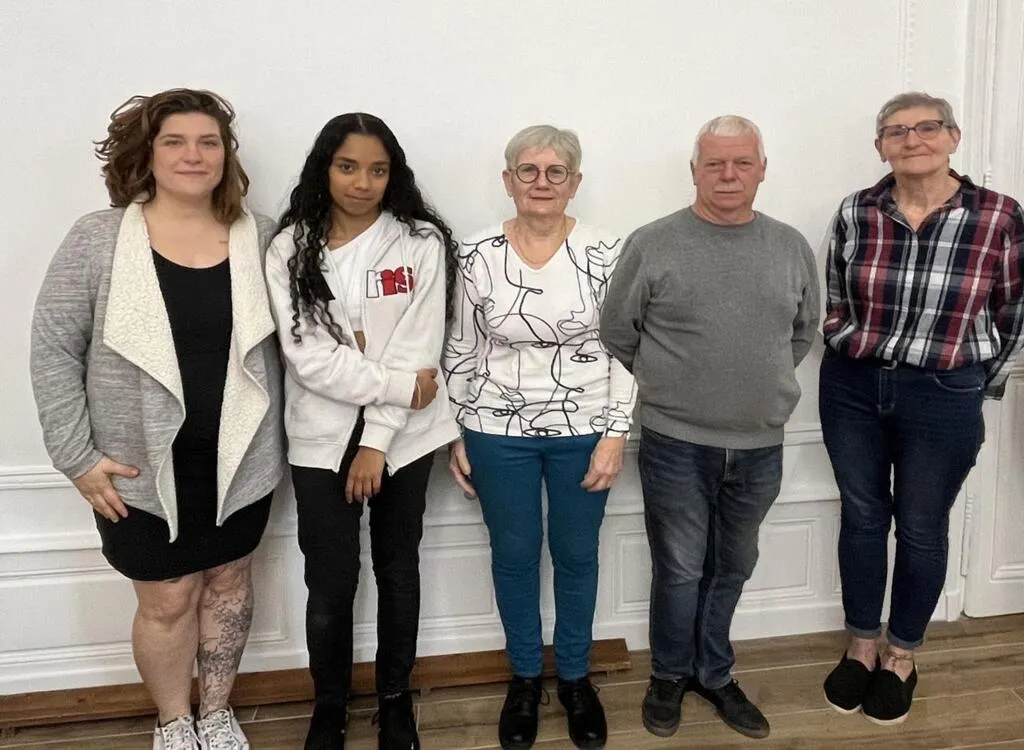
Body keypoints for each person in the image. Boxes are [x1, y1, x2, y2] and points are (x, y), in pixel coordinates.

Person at [30, 88, 286, 750]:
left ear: (226, 155)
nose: (192, 155)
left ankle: (217, 714)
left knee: (229, 583)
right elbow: (54, 349)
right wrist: (77, 458)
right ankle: (174, 721)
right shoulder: (98, 238)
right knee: (167, 598)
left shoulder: (259, 236)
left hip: (239, 458)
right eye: (174, 141)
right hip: (135, 465)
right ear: (147, 154)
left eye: (208, 142)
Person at [599, 115, 820, 741]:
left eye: (741, 162)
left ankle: (714, 674)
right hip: (675, 442)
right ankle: (669, 675)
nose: (728, 175)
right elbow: (617, 331)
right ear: (693, 171)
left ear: (762, 169)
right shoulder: (654, 243)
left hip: (760, 444)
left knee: (733, 565)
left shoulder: (789, 246)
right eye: (714, 163)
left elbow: (803, 332)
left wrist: (754, 385)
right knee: (679, 568)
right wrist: (675, 385)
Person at [819, 91, 1024, 726]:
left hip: (942, 391)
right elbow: (834, 296)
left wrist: (971, 381)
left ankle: (902, 654)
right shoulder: (856, 211)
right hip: (853, 386)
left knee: (921, 525)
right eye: (896, 131)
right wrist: (846, 342)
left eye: (927, 127)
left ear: (953, 137)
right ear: (880, 145)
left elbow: (1013, 311)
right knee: (861, 516)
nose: (912, 140)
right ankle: (861, 645)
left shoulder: (998, 216)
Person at [265, 112, 460, 750]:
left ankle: (395, 701)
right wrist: (397, 387)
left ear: (392, 174)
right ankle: (329, 706)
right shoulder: (290, 247)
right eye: (347, 166)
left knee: (399, 568)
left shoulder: (420, 242)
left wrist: (376, 440)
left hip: (404, 440)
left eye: (377, 170)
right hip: (320, 437)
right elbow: (310, 360)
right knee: (331, 580)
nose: (362, 182)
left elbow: (418, 347)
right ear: (325, 169)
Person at [443, 124, 636, 750]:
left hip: (586, 429)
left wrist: (615, 433)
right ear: (508, 180)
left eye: (556, 172)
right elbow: (461, 347)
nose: (542, 182)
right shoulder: (475, 253)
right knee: (515, 555)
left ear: (575, 182)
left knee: (577, 555)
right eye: (528, 170)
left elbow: (627, 348)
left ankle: (576, 678)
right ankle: (524, 677)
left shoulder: (608, 251)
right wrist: (457, 430)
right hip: (496, 431)